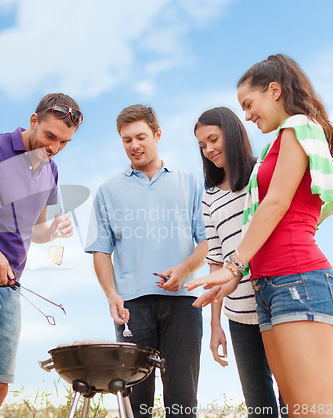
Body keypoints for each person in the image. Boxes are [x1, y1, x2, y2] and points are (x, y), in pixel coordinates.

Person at [186, 54, 333, 417]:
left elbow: (274, 205)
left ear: (274, 91)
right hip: (270, 287)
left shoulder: (298, 128)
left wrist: (233, 266)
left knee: (313, 411)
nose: (247, 114)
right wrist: (235, 276)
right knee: (294, 411)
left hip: (299, 280)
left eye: (249, 104)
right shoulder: (279, 144)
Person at [0, 93, 82, 418]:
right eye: (50, 136)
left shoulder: (51, 171)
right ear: (33, 121)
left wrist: (52, 232)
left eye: (63, 142)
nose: (53, 148)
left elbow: (34, 231)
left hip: (11, 284)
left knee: (0, 384)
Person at [85, 105, 208, 418]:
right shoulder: (108, 191)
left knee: (182, 401)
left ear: (157, 135)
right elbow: (101, 250)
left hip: (184, 302)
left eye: (140, 137)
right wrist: (111, 294)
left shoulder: (190, 182)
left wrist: (184, 270)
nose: (134, 145)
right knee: (134, 403)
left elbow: (206, 241)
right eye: (126, 140)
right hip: (132, 307)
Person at [195, 106, 288, 418]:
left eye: (213, 139)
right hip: (239, 314)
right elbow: (216, 261)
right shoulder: (209, 197)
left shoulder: (263, 173)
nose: (209, 150)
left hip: (278, 300)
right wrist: (215, 325)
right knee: (259, 406)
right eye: (202, 146)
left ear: (232, 134)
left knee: (294, 397)